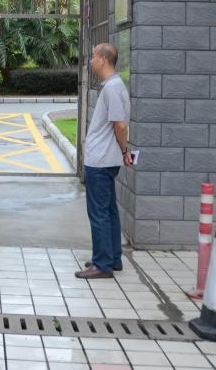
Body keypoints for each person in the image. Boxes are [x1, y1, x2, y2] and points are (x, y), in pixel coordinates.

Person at [75, 43, 133, 280]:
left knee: (99, 213)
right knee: (109, 210)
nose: (90, 61)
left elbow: (120, 124)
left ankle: (102, 264)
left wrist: (124, 149)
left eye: (93, 57)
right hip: (106, 159)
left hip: (100, 160)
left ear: (103, 59)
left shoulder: (112, 88)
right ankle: (112, 258)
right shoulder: (114, 86)